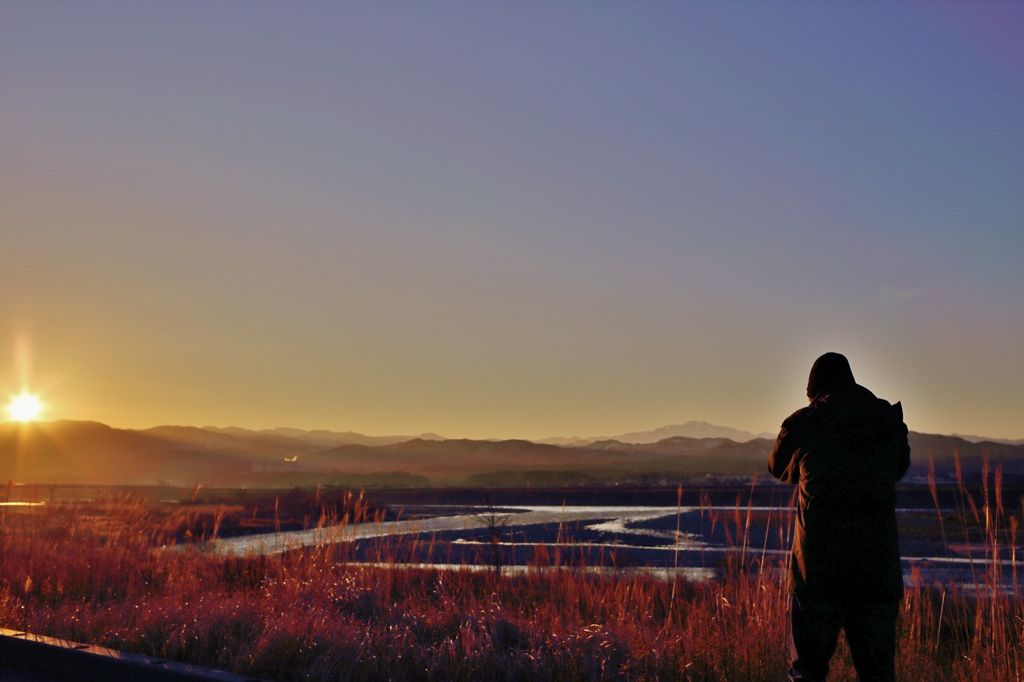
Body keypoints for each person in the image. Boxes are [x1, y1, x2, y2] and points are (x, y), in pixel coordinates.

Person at [769, 352, 910, 682]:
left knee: (809, 672)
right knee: (877, 674)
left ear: (813, 389)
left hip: (818, 573)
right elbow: (898, 469)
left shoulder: (803, 423)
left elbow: (777, 467)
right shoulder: (888, 421)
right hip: (877, 572)